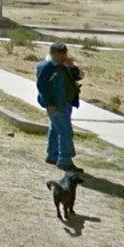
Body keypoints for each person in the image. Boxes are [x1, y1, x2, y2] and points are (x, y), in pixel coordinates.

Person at [35, 43, 84, 172]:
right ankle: (65, 160)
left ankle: (53, 155)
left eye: (65, 54)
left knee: (56, 128)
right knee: (65, 130)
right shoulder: (47, 67)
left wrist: (72, 67)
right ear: (53, 53)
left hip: (64, 103)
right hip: (56, 104)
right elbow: (42, 88)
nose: (64, 57)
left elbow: (79, 76)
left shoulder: (62, 65)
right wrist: (50, 104)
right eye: (61, 55)